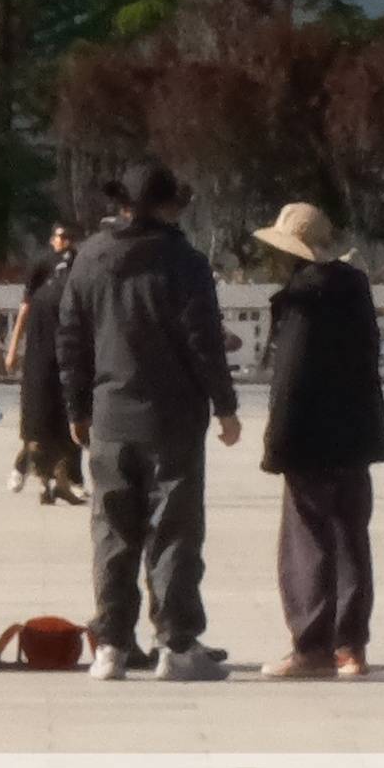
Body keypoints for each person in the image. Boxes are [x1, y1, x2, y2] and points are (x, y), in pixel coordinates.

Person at [49, 163, 239, 680]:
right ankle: (176, 644)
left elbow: (68, 339)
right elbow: (203, 342)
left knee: (112, 530)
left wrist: (76, 408)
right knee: (173, 531)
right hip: (173, 416)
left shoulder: (89, 258)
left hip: (109, 416)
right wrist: (225, 406)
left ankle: (110, 642)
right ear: (165, 206)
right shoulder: (184, 262)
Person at [252, 201, 384, 678]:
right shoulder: (355, 292)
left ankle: (312, 646)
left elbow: (290, 379)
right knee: (351, 535)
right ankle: (351, 644)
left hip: (310, 436)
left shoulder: (302, 301)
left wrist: (277, 444)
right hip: (355, 434)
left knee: (308, 539)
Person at [8, 227, 83, 502]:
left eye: (67, 237)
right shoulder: (41, 266)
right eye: (58, 236)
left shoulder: (81, 265)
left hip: (69, 355)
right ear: (51, 239)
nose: (63, 242)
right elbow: (24, 307)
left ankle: (69, 479)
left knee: (69, 420)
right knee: (37, 419)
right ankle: (29, 469)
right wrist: (13, 348)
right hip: (40, 355)